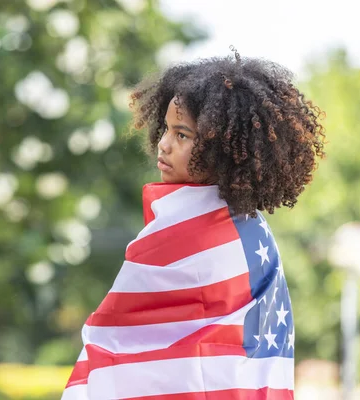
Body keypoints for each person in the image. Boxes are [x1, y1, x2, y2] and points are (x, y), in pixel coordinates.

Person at [61, 48, 326, 400]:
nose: (164, 144)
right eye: (166, 129)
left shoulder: (181, 232)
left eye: (182, 135)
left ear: (223, 150)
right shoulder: (251, 228)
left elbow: (112, 337)